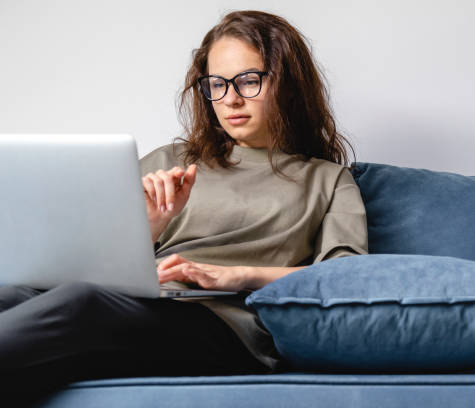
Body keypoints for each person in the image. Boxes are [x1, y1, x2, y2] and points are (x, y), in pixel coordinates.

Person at [0, 9, 368, 401]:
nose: (230, 99)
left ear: (289, 84)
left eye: (248, 81)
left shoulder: (328, 180)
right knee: (13, 293)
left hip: (222, 326)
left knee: (81, 306)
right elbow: (84, 261)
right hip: (139, 304)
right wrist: (150, 226)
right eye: (217, 84)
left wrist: (235, 275)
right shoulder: (171, 160)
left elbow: (343, 278)